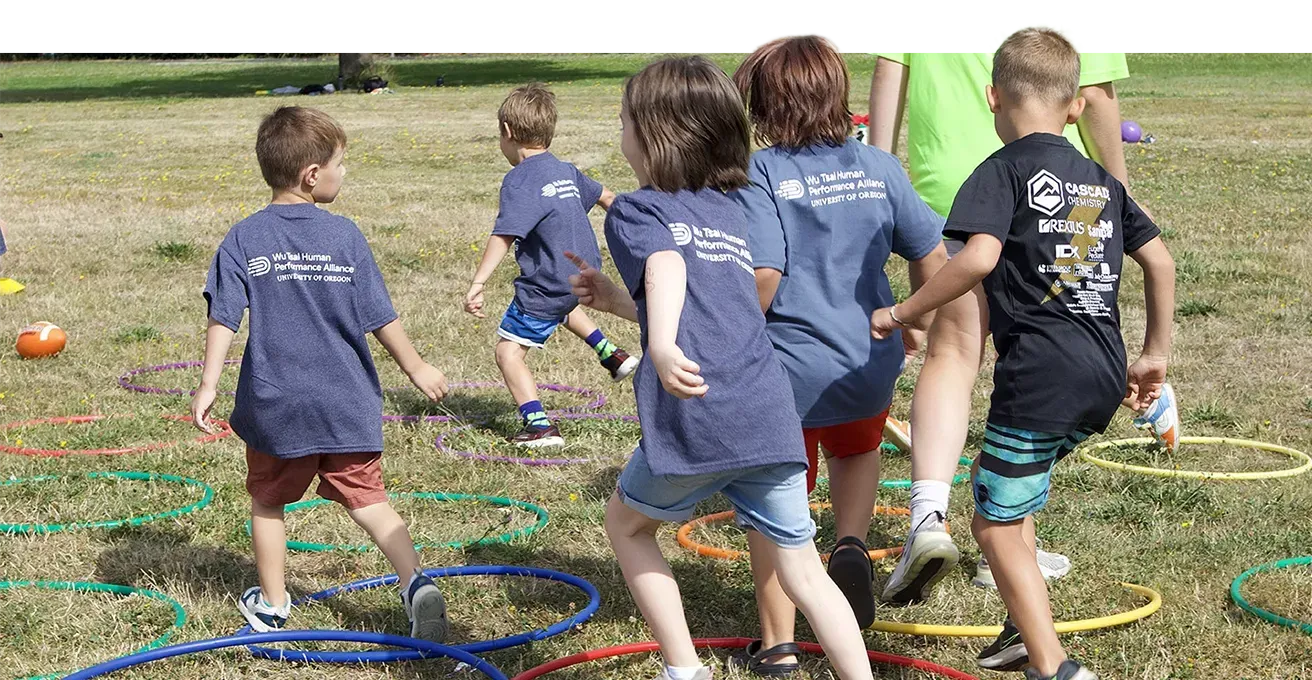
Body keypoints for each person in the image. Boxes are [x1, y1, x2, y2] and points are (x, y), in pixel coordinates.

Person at [871, 26, 1176, 680]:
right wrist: (1154, 353)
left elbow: (977, 260)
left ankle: (1054, 664)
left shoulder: (999, 172)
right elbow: (1159, 260)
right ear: (1075, 108)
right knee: (1016, 493)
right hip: (1099, 377)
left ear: (992, 98)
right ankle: (1018, 629)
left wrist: (903, 311)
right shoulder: (1098, 180)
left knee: (992, 527)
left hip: (1037, 379)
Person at [567, 55, 876, 680]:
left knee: (627, 527)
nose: (620, 131)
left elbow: (670, 272)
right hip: (768, 414)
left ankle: (685, 669)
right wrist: (619, 302)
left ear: (654, 133)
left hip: (699, 417)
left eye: (625, 119)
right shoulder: (731, 210)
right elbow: (704, 302)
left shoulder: (636, 211)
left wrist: (657, 348)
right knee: (805, 573)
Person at [726, 33, 946, 672]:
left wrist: (726, 337)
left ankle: (779, 642)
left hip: (786, 371)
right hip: (867, 359)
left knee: (777, 506)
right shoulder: (880, 165)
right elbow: (934, 258)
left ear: (765, 108)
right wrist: (914, 321)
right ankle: (850, 544)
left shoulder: (760, 174)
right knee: (859, 449)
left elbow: (763, 277)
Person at [190, 106, 452, 642]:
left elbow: (224, 315)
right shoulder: (346, 236)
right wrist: (417, 365)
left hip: (276, 404)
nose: (343, 173)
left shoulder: (243, 237)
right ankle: (416, 582)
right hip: (345, 400)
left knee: (268, 501)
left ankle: (274, 604)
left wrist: (209, 382)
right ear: (312, 174)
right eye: (340, 164)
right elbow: (380, 315)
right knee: (371, 502)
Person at [464, 83, 638, 448]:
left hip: (548, 282)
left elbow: (505, 234)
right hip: (582, 272)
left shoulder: (519, 179)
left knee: (508, 352)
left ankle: (539, 425)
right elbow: (607, 197)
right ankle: (612, 354)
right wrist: (640, 224)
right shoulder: (566, 169)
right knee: (564, 302)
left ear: (508, 133)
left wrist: (478, 282)